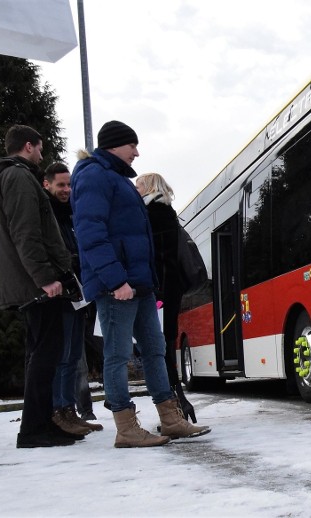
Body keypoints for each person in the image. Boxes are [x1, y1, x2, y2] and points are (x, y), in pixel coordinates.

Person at [71, 120, 210, 448]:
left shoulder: (117, 178)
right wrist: (115, 280)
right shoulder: (94, 176)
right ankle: (126, 428)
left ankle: (170, 420)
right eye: (131, 145)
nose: (137, 152)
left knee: (155, 350)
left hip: (141, 284)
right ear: (114, 145)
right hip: (118, 286)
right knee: (118, 355)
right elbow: (91, 233)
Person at [0, 125, 82, 448]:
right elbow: (27, 235)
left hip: (26, 283)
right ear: (27, 146)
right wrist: (46, 279)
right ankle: (34, 429)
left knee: (40, 353)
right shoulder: (19, 178)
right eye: (39, 147)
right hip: (34, 285)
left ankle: (39, 424)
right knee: (45, 354)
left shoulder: (7, 178)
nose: (41, 153)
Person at [42, 162, 102, 433]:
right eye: (61, 185)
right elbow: (55, 252)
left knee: (74, 354)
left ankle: (70, 410)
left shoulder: (71, 215)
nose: (66, 189)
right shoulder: (48, 214)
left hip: (78, 293)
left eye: (69, 185)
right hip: (61, 292)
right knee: (63, 355)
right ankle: (58, 411)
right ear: (47, 185)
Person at [135, 172, 198, 422]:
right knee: (162, 346)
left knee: (159, 347)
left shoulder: (155, 213)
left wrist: (156, 291)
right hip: (168, 288)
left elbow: (158, 256)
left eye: (138, 185)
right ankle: (177, 403)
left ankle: (177, 404)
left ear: (149, 187)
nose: (135, 189)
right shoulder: (165, 211)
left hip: (161, 291)